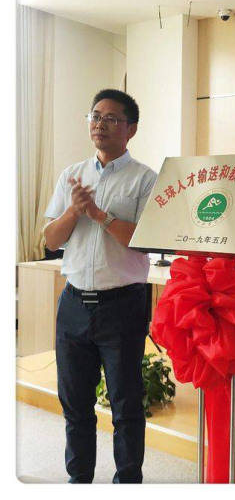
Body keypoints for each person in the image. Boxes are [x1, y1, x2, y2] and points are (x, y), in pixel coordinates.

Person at [44, 89, 158, 483]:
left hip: (122, 306)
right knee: (75, 404)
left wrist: (97, 214)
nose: (100, 124)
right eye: (95, 116)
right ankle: (79, 481)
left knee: (126, 406)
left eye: (111, 118)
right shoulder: (71, 174)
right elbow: (51, 239)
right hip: (73, 304)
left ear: (131, 129)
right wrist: (74, 211)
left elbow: (143, 241)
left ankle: (127, 483)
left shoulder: (145, 179)